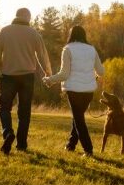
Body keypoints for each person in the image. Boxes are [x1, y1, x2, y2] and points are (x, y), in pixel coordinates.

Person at [0, 8, 52, 155]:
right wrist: (48, 72)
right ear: (28, 18)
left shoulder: (4, 31)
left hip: (8, 76)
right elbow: (42, 55)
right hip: (27, 77)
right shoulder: (34, 34)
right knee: (24, 112)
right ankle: (22, 144)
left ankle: (8, 133)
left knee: (4, 108)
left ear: (16, 16)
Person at [43, 25, 105, 157]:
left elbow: (64, 74)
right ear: (84, 35)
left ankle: (88, 150)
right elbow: (101, 71)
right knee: (78, 118)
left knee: (78, 120)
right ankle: (71, 145)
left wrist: (50, 80)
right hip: (88, 91)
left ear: (71, 35)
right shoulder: (92, 49)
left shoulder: (68, 49)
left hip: (73, 90)